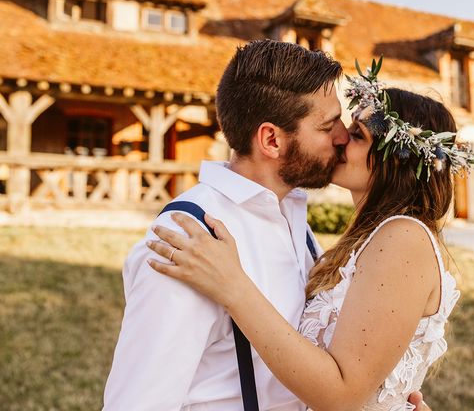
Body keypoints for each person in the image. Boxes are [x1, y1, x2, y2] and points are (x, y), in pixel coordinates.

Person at [103, 40, 429, 411]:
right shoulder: (186, 239)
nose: (342, 136)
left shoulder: (292, 219)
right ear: (271, 140)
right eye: (327, 126)